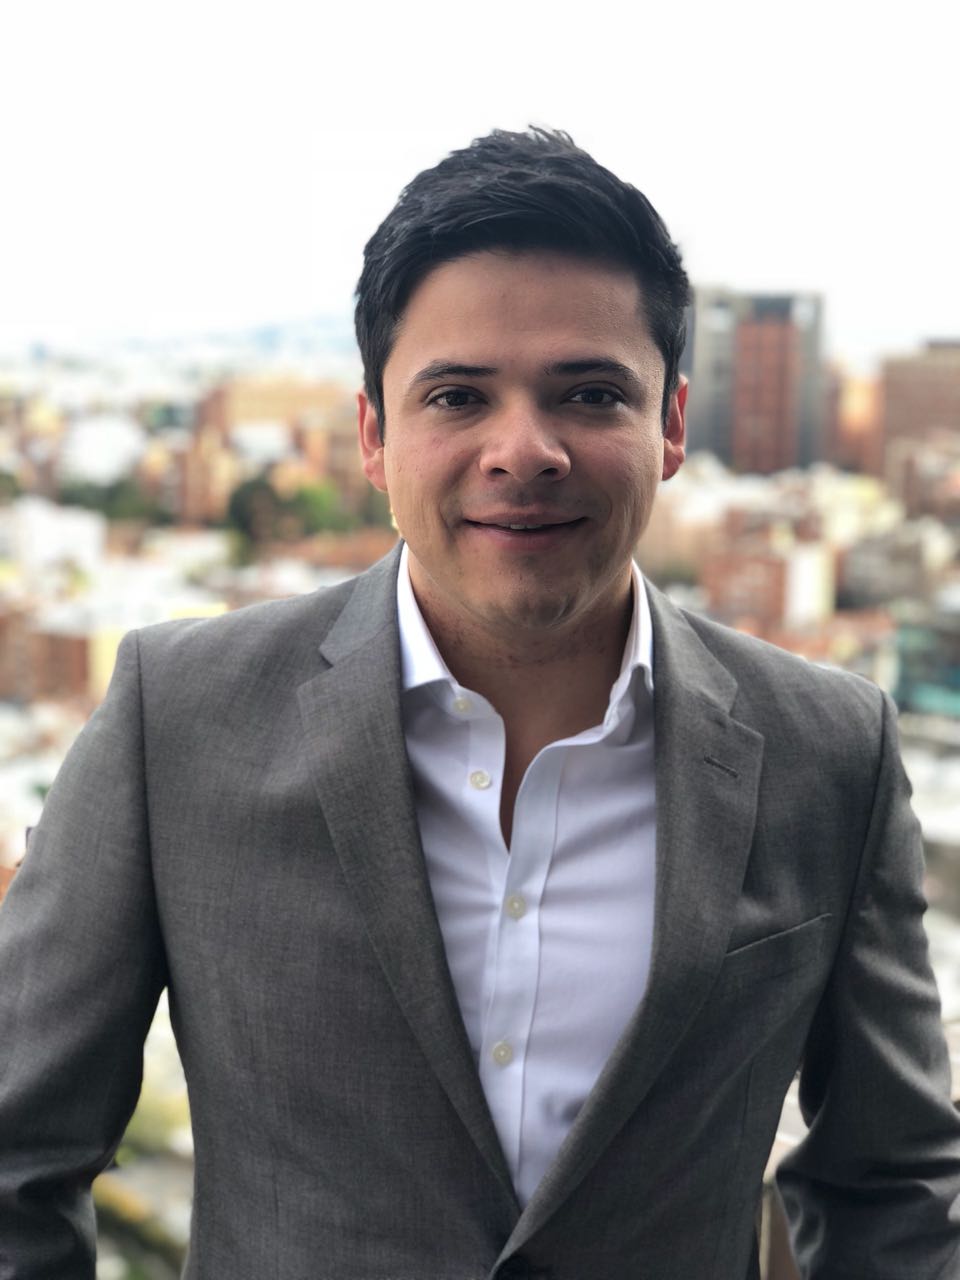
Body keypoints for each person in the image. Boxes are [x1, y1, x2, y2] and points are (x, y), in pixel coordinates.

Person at [1, 128, 959, 1280]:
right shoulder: (179, 720)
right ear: (373, 434)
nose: (525, 449)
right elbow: (17, 1159)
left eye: (589, 393)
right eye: (458, 395)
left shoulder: (829, 752)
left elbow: (892, 1187)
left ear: (670, 424)